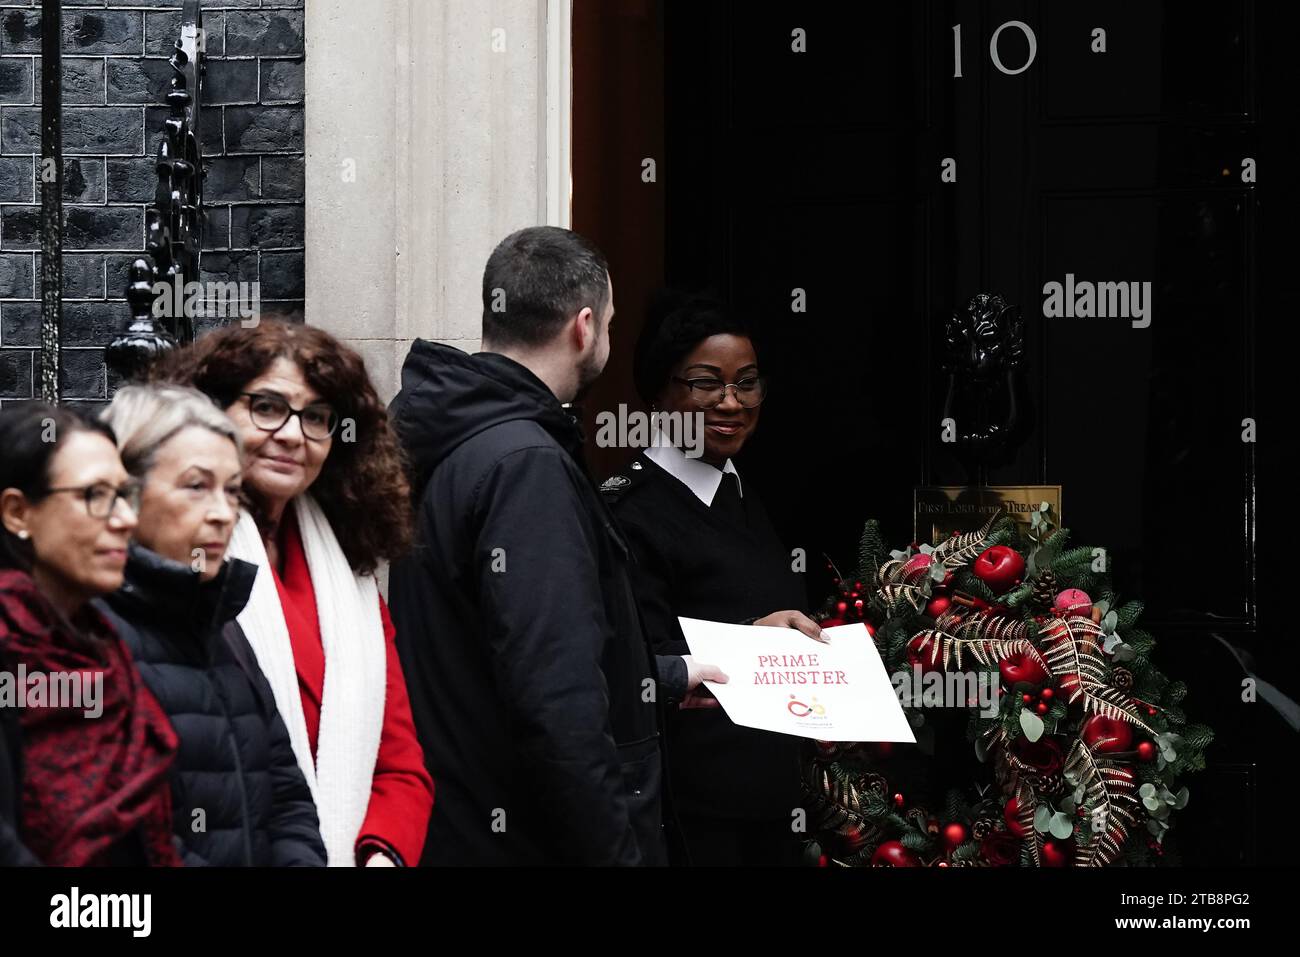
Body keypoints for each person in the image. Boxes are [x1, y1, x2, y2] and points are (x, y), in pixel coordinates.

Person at [389, 226, 724, 866]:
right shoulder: (525, 465)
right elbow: (556, 702)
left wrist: (665, 675)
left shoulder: (462, 435)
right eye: (610, 324)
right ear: (584, 325)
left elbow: (507, 651)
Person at [155, 320, 434, 867]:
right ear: (213, 413)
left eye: (316, 417)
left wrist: (383, 857)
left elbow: (400, 766)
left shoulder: (351, 583)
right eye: (266, 407)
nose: (291, 433)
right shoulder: (176, 559)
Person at [601, 292, 824, 866]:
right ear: (658, 391)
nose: (731, 402)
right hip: (690, 816)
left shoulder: (741, 492)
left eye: (747, 383)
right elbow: (636, 665)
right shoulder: (630, 512)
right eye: (705, 383)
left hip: (769, 801)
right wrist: (753, 640)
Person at [96, 384, 326, 866]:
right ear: (127, 494)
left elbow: (287, 796)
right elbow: (124, 838)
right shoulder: (87, 637)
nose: (223, 514)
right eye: (197, 486)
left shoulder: (223, 627)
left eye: (232, 491)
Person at [0, 403, 182, 866]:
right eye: (95, 495)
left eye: (125, 495)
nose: (123, 519)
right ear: (18, 512)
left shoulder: (103, 644)